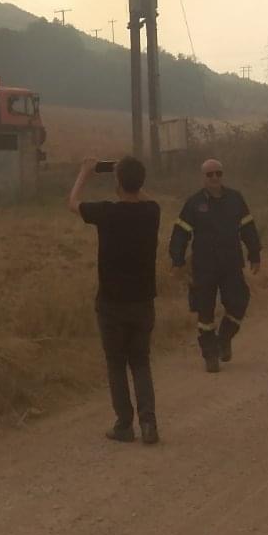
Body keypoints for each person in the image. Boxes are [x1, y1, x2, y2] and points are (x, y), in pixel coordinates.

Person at [69, 156, 162, 444]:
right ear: (141, 182)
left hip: (111, 302)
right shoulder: (152, 212)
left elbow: (73, 203)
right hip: (143, 301)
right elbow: (145, 199)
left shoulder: (107, 212)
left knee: (116, 363)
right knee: (141, 363)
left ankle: (124, 424)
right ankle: (149, 423)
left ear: (118, 183)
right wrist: (129, 178)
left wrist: (84, 173)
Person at [168, 158, 262, 373]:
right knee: (205, 312)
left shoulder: (236, 199)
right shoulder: (193, 203)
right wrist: (177, 260)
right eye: (210, 174)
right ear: (203, 178)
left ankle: (224, 339)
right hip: (204, 266)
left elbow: (248, 227)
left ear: (223, 175)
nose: (214, 178)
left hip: (231, 263)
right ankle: (210, 354)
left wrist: (255, 253)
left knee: (239, 302)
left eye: (218, 173)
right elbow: (180, 232)